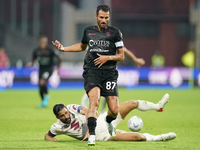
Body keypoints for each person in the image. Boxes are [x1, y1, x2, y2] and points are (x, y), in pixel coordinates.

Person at [52, 5, 125, 145]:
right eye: (102, 17)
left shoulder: (115, 33)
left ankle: (109, 121)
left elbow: (121, 56)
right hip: (92, 71)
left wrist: (106, 58)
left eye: (106, 18)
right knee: (94, 101)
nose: (104, 20)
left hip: (109, 73)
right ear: (96, 17)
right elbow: (81, 46)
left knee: (114, 110)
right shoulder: (89, 31)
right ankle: (92, 135)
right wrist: (64, 49)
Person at [44, 93, 176, 146]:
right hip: (103, 135)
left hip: (103, 120)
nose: (66, 116)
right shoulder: (57, 127)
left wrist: (89, 130)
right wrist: (53, 139)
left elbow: (89, 112)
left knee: (132, 103)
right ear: (57, 117)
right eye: (62, 116)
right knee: (138, 137)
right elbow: (47, 136)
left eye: (66, 113)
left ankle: (158, 106)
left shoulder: (72, 108)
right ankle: (161, 137)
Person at [81, 47, 145, 114]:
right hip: (96, 71)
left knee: (107, 93)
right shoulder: (95, 40)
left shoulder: (113, 40)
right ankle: (83, 112)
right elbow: (87, 54)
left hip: (109, 73)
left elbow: (124, 50)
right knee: (90, 92)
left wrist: (135, 60)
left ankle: (102, 110)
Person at [27, 36, 61, 108]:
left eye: (44, 42)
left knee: (42, 82)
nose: (43, 43)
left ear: (46, 43)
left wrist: (58, 68)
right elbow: (33, 60)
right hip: (41, 69)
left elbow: (60, 57)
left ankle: (46, 96)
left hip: (49, 69)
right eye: (42, 42)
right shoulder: (36, 51)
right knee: (40, 86)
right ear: (39, 42)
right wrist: (30, 63)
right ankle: (43, 100)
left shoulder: (50, 50)